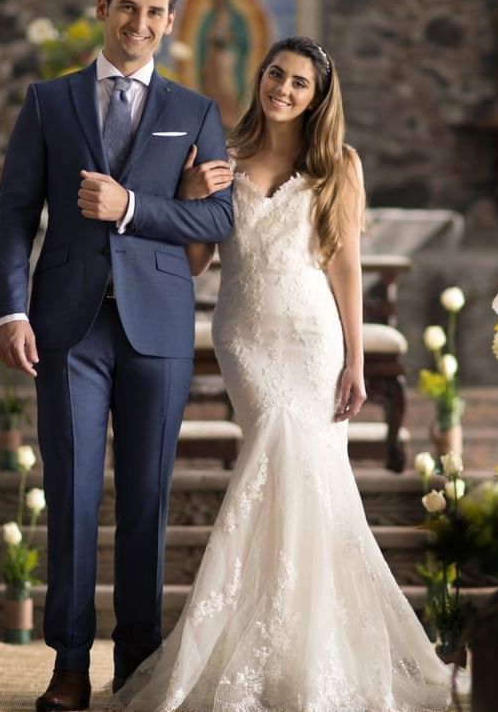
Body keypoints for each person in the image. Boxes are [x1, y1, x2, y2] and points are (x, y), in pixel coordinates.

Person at [111, 37, 453, 711]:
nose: (284, 89)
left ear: (318, 97)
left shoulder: (338, 165)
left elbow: (345, 267)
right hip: (246, 337)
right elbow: (196, 263)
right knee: (274, 458)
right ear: (259, 75)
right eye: (276, 74)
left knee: (308, 476)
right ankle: (262, 647)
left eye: (300, 83)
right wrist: (185, 195)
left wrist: (356, 357)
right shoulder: (221, 155)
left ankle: (308, 656)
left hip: (312, 338)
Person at [0, 0, 235, 712]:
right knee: (68, 496)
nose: (140, 23)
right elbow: (12, 217)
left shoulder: (196, 112)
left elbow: (219, 220)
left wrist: (134, 205)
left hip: (158, 325)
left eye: (156, 12)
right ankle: (68, 664)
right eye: (127, 8)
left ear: (170, 21)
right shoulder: (48, 102)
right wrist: (10, 309)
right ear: (104, 8)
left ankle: (136, 665)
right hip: (66, 325)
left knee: (145, 503)